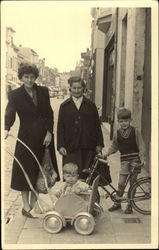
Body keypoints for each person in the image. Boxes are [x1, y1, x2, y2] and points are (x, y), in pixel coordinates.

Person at [5, 63, 60, 218]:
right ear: (21, 78)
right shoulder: (15, 95)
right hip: (26, 137)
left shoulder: (43, 91)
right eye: (26, 77)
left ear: (36, 77)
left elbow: (49, 113)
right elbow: (10, 113)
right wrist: (6, 128)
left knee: (40, 170)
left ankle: (35, 204)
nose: (29, 80)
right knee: (25, 170)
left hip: (44, 137)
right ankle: (25, 205)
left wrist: (49, 132)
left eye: (32, 77)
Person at [57, 76, 104, 179]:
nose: (77, 90)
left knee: (87, 176)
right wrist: (60, 145)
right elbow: (60, 127)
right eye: (74, 88)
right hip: (70, 147)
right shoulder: (64, 106)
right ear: (70, 89)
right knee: (71, 176)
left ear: (83, 88)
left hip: (88, 146)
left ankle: (87, 195)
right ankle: (72, 195)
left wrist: (99, 143)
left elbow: (97, 125)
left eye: (79, 88)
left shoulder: (91, 105)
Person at [101, 108, 145, 214]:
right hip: (124, 162)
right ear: (118, 121)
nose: (124, 123)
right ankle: (117, 203)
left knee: (132, 183)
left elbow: (141, 146)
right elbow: (114, 146)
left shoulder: (136, 131)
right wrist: (106, 153)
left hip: (135, 161)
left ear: (131, 120)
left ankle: (130, 205)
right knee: (121, 183)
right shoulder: (117, 133)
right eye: (121, 121)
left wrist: (143, 158)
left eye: (126, 121)